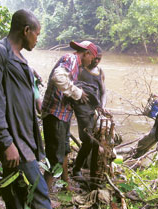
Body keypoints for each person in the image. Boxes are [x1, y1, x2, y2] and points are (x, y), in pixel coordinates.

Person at [0, 9, 52, 208]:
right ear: (27, 30)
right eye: (37, 34)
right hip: (15, 142)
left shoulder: (19, 58)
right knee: (39, 196)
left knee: (16, 196)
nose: (37, 40)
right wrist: (6, 142)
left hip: (25, 139)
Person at [41, 40, 96, 191]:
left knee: (64, 151)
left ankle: (65, 185)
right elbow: (58, 78)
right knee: (55, 158)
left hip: (62, 116)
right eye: (92, 58)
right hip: (55, 115)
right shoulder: (71, 59)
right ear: (86, 53)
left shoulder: (76, 65)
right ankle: (41, 197)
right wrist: (77, 92)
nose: (92, 61)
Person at [72, 45, 108, 179]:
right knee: (88, 140)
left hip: (95, 110)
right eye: (95, 58)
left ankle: (93, 172)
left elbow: (103, 92)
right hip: (82, 110)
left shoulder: (100, 71)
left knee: (97, 141)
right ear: (90, 56)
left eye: (99, 59)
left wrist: (103, 106)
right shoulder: (81, 69)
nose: (97, 61)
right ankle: (76, 169)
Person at [133, 92, 158, 158]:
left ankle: (135, 158)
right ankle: (138, 160)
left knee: (140, 144)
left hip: (156, 134)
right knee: (145, 148)